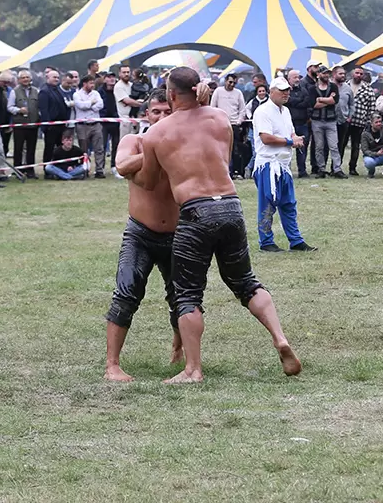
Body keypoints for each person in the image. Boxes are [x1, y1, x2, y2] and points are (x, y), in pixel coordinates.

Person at [134, 66, 301, 384]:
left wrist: (131, 161)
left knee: (187, 294)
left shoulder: (157, 133)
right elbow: (222, 160)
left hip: (195, 212)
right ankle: (279, 337)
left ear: (169, 95)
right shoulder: (220, 119)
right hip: (230, 206)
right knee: (246, 282)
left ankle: (193, 370)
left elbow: (148, 181)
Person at [105, 90, 180, 381]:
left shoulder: (183, 144)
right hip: (140, 232)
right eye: (156, 112)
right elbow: (122, 166)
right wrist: (152, 149)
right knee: (126, 292)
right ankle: (112, 364)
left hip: (178, 232)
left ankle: (178, 350)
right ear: (146, 115)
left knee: (183, 298)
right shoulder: (133, 141)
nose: (161, 117)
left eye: (167, 112)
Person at [251, 77, 319, 253]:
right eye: (282, 90)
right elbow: (266, 138)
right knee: (268, 203)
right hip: (268, 163)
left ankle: (295, 240)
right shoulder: (263, 111)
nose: (286, 93)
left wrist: (295, 137)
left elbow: (289, 131)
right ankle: (266, 241)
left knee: (289, 203)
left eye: (288, 90)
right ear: (271, 91)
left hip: (283, 163)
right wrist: (290, 141)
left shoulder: (286, 111)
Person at [307, 66, 345, 178]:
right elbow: (313, 104)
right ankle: (321, 169)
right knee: (319, 146)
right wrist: (328, 100)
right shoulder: (312, 88)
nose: (326, 76)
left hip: (331, 120)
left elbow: (335, 100)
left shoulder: (333, 86)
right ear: (318, 75)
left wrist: (320, 99)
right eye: (324, 73)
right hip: (317, 121)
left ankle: (337, 169)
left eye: (328, 73)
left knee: (334, 146)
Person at [210, 73, 250, 179]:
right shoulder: (218, 91)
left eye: (234, 83)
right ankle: (223, 171)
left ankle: (235, 171)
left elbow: (242, 109)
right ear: (226, 81)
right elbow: (212, 107)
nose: (232, 85)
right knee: (220, 149)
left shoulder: (238, 93)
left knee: (235, 149)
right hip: (220, 124)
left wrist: (239, 121)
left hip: (234, 125)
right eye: (230, 82)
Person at [38, 70, 72, 176]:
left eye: (57, 77)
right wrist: (47, 125)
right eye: (54, 77)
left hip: (60, 125)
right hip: (51, 126)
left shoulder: (57, 90)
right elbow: (44, 110)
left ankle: (60, 168)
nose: (56, 79)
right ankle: (47, 170)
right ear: (47, 77)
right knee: (49, 148)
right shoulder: (44, 91)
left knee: (60, 148)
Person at [73, 74, 106, 178]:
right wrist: (91, 103)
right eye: (91, 83)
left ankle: (99, 170)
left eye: (93, 83)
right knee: (84, 149)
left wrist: (88, 105)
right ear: (84, 84)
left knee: (99, 149)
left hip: (96, 124)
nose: (93, 85)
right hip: (82, 125)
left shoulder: (96, 93)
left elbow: (100, 105)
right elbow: (80, 106)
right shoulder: (77, 94)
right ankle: (84, 169)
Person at [8, 70, 40, 175]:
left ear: (31, 79)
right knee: (18, 149)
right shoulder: (14, 91)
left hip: (33, 125)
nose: (25, 79)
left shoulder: (36, 91)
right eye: (23, 77)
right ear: (19, 80)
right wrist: (18, 110)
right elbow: (9, 107)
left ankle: (30, 170)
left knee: (31, 149)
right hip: (19, 125)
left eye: (27, 77)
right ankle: (18, 171)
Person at [285, 69, 315, 178]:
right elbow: (287, 101)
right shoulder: (285, 91)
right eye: (295, 77)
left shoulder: (304, 90)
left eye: (298, 77)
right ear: (289, 79)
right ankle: (286, 171)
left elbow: (307, 102)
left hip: (302, 123)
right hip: (289, 124)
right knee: (286, 148)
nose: (297, 79)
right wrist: (298, 101)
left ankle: (302, 171)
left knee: (302, 148)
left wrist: (293, 101)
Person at [347, 67, 376, 176]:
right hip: (345, 121)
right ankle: (336, 168)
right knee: (340, 144)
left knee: (356, 146)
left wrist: (368, 122)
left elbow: (371, 108)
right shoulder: (345, 85)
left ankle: (352, 168)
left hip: (360, 122)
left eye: (361, 73)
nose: (358, 75)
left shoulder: (368, 89)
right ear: (352, 74)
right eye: (357, 73)